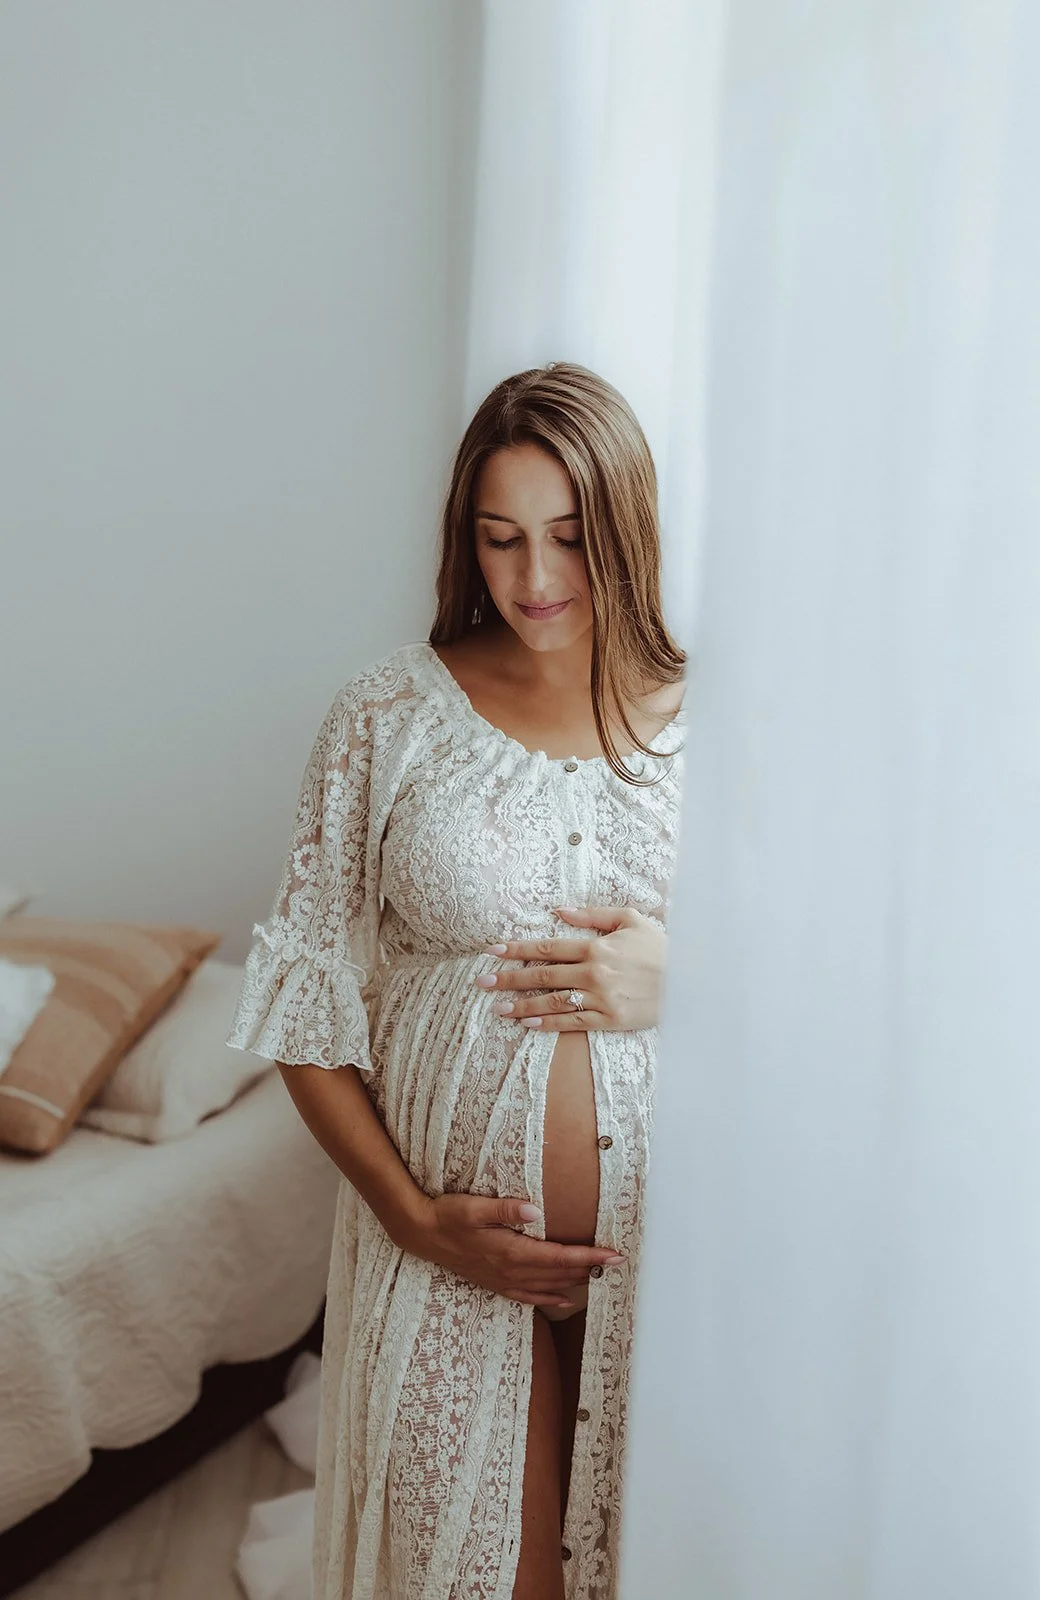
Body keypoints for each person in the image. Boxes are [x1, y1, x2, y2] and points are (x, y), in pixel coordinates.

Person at [226, 361, 688, 1600]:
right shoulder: (386, 715)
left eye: (568, 539)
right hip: (444, 1260)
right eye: (499, 540)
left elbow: (835, 1000)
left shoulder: (725, 726)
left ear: (627, 530)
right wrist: (409, 1216)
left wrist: (683, 983)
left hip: (679, 1258)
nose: (533, 580)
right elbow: (302, 1006)